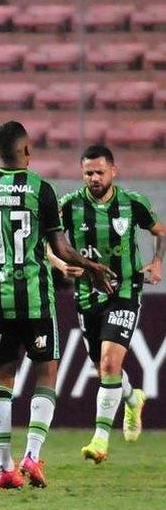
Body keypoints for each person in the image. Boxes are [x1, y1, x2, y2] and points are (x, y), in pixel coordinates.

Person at [0, 121, 113, 489]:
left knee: (1, 378)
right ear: (26, 150)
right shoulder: (40, 189)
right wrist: (91, 266)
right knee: (46, 374)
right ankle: (32, 456)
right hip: (34, 298)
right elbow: (61, 248)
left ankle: (4, 467)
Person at [51, 144, 164, 464]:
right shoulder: (69, 205)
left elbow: (160, 232)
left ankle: (100, 440)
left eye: (100, 172)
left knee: (110, 364)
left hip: (125, 291)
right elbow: (45, 240)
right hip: (88, 295)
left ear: (113, 171)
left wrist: (157, 261)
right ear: (81, 173)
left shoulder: (132, 203)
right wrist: (60, 265)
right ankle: (133, 398)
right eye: (88, 173)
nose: (94, 178)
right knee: (104, 369)